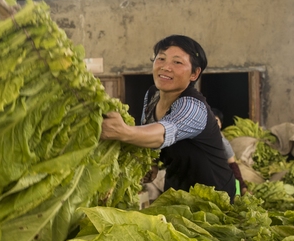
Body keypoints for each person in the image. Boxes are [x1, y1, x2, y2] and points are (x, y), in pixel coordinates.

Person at [100, 35, 237, 200]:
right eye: (161, 59)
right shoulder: (152, 95)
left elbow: (163, 132)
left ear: (194, 73)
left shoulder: (193, 107)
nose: (165, 67)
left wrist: (124, 132)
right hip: (176, 189)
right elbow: (148, 129)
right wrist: (152, 163)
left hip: (214, 196)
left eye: (177, 62)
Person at [212, 108, 248, 195]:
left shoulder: (223, 142)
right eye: (210, 121)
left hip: (220, 181)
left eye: (216, 121)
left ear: (221, 124)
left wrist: (242, 187)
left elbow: (233, 165)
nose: (213, 124)